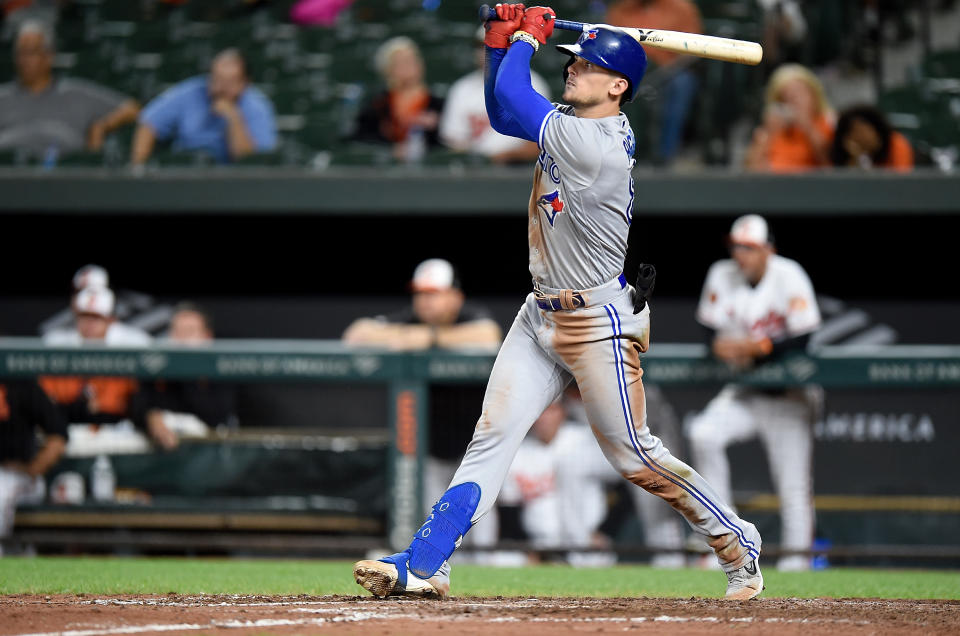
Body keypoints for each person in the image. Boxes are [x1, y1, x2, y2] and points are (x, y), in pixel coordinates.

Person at [353, 5, 764, 601]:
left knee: (635, 456)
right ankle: (427, 563)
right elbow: (501, 113)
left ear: (618, 85)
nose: (574, 68)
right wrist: (500, 44)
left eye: (589, 64)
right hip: (539, 313)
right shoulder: (572, 120)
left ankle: (736, 540)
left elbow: (517, 99)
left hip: (596, 321)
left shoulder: (593, 141)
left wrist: (524, 40)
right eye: (575, 59)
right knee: (490, 438)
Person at [687, 214, 822, 572]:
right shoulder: (721, 273)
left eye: (749, 248)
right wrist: (723, 347)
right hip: (744, 392)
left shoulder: (788, 274)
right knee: (703, 434)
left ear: (767, 250)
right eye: (736, 246)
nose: (740, 254)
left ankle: (798, 568)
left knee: (793, 489)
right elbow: (708, 331)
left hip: (789, 397)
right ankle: (727, 541)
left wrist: (759, 346)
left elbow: (804, 336)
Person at [344, 258, 503, 555]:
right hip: (427, 448)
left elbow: (489, 335)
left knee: (482, 531)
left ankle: (490, 591)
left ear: (455, 296)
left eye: (434, 293)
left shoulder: (471, 317)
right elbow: (356, 333)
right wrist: (405, 336)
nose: (425, 301)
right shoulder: (409, 320)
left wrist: (431, 338)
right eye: (421, 293)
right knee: (432, 525)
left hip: (475, 447)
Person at [0, 20, 140, 159]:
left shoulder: (77, 94)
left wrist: (102, 126)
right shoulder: (2, 97)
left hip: (66, 176)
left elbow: (132, 108)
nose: (24, 60)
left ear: (49, 56)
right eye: (20, 53)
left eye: (31, 52)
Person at [131, 48, 277, 165]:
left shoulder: (258, 107)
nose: (221, 88)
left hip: (232, 185)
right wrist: (138, 169)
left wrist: (234, 118)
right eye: (217, 79)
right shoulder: (191, 92)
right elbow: (148, 123)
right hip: (186, 173)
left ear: (245, 83)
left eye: (229, 82)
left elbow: (249, 163)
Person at [605, 0, 703, 165]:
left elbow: (695, 49)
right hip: (632, 71)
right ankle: (616, 155)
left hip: (670, 72)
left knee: (682, 84)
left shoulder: (681, 7)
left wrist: (665, 73)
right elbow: (608, 47)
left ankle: (664, 156)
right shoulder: (621, 10)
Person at [131, 303, 237, 450]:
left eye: (189, 331)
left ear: (207, 336)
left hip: (207, 452)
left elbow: (217, 415)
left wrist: (189, 373)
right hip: (161, 454)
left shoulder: (219, 369)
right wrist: (151, 417)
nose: (182, 339)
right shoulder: (158, 368)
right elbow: (138, 406)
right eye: (177, 331)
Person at [40, 286, 150, 425]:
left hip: (117, 425)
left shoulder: (131, 342)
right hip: (68, 419)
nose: (89, 323)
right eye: (85, 316)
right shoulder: (57, 342)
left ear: (110, 319)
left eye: (96, 317)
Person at [439, 26, 549, 164]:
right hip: (474, 170)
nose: (486, 52)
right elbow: (453, 142)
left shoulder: (533, 83)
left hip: (519, 169)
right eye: (482, 46)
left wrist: (505, 157)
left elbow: (541, 142)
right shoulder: (462, 89)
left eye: (494, 45)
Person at [0, 379, 67, 555]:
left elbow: (58, 437)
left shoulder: (21, 384)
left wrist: (32, 469)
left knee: (1, 491)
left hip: (19, 476)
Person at [351, 37, 444, 162]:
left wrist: (434, 127)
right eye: (401, 62)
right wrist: (390, 149)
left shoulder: (438, 105)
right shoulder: (378, 105)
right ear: (388, 69)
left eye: (412, 59)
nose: (409, 66)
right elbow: (360, 139)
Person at [745, 64, 835, 173]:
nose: (793, 100)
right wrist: (768, 135)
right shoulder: (771, 132)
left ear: (814, 96)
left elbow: (831, 163)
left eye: (799, 93)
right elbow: (750, 172)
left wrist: (807, 126)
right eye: (785, 96)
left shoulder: (827, 124)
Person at [830, 104, 914, 172]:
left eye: (862, 130)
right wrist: (858, 158)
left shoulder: (896, 144)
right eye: (852, 131)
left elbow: (900, 179)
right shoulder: (847, 151)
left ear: (876, 130)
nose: (858, 136)